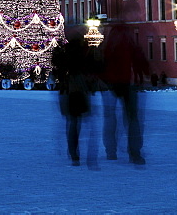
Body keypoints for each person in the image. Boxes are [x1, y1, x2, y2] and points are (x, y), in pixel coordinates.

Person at [100, 22, 148, 164]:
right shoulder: (130, 42)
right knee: (132, 119)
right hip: (128, 83)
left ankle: (111, 151)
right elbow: (140, 59)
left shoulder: (108, 44)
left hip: (111, 84)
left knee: (110, 118)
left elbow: (101, 62)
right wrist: (144, 73)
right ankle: (134, 153)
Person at [53, 36, 99, 166]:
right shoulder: (82, 58)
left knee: (72, 121)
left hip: (68, 91)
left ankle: (73, 152)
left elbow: (56, 68)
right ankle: (75, 152)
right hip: (79, 91)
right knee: (76, 121)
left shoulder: (64, 57)